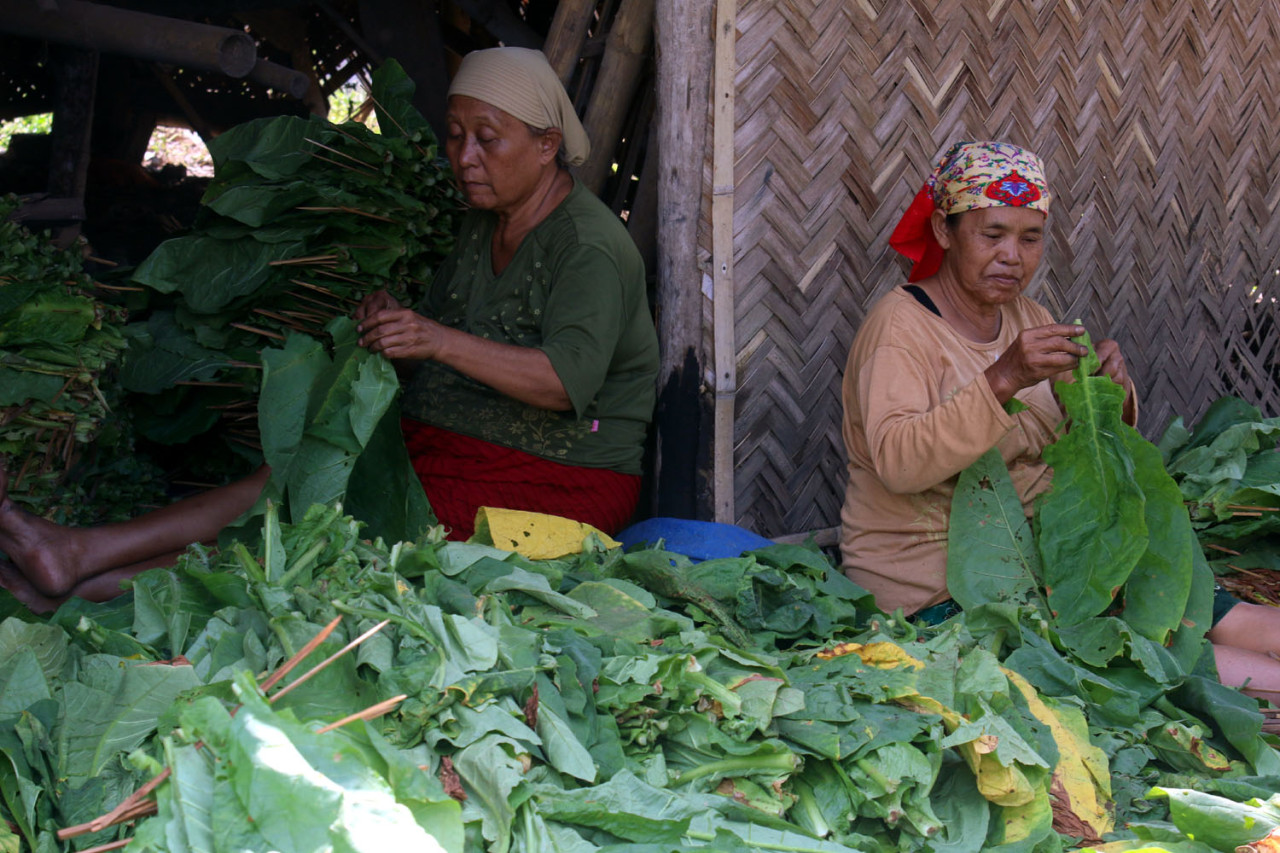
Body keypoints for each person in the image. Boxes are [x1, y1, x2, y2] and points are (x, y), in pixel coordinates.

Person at [0, 46, 658, 610]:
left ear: (547, 146)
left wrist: (433, 338)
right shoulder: (483, 222)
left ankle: (88, 585)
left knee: (348, 534)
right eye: (455, 135)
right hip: (455, 445)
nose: (465, 156)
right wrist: (393, 330)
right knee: (297, 476)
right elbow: (448, 338)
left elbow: (561, 380)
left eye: (488, 138)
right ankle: (79, 551)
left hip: (557, 477)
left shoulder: (588, 247)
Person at [839, 140, 1280, 700]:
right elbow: (898, 463)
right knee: (1168, 657)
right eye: (991, 234)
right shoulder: (899, 328)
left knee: (1202, 610)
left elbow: (1073, 441)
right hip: (939, 592)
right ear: (946, 233)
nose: (1012, 256)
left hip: (1050, 564)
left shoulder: (1027, 316)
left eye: (1030, 238)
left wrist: (1106, 393)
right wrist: (1003, 378)